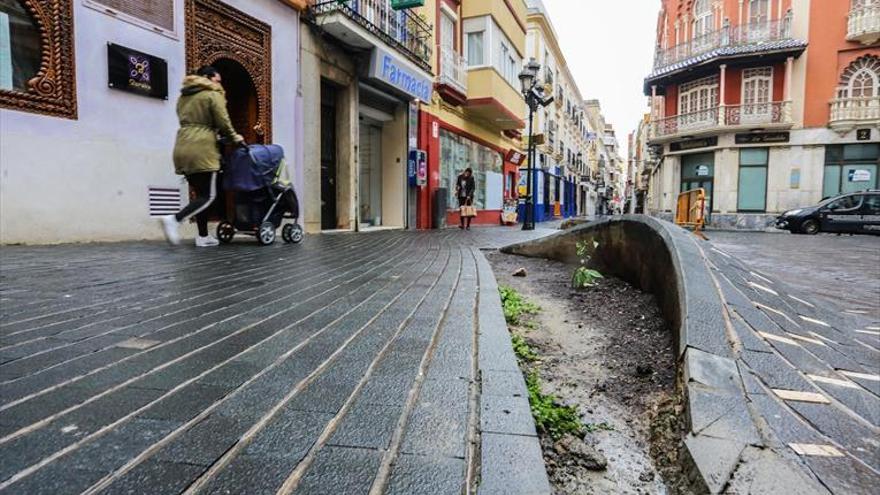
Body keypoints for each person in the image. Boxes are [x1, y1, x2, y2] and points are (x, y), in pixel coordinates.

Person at [160, 66, 243, 247]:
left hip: (182, 146)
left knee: (200, 195)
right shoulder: (212, 95)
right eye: (218, 80)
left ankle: (203, 236)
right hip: (202, 148)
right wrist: (235, 138)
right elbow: (223, 121)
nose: (220, 83)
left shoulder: (184, 97)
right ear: (207, 77)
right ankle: (174, 219)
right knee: (209, 196)